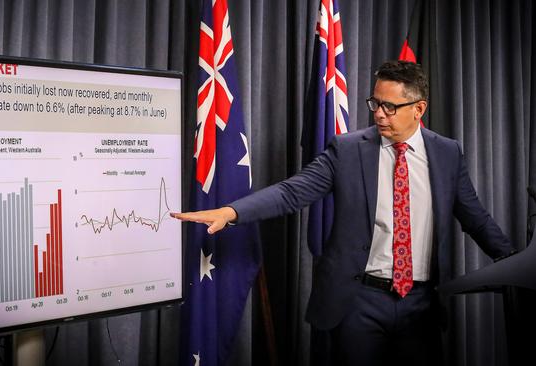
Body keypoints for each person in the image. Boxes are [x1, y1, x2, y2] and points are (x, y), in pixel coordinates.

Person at [170, 60, 514, 366]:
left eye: (390, 107)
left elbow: (475, 217)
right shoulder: (347, 150)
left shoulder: (447, 153)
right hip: (359, 303)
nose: (379, 113)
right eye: (375, 103)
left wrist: (515, 261)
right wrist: (232, 211)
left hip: (421, 306)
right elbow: (293, 191)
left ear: (418, 108)